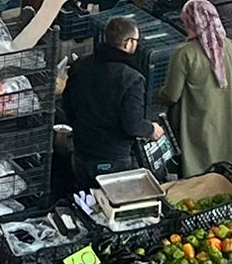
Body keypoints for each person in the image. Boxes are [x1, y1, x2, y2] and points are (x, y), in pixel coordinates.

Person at [158, 0, 232, 177]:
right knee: (231, 178)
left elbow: (172, 95)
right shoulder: (231, 47)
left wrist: (159, 95)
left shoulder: (184, 54)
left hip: (198, 126)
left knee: (201, 179)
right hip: (229, 122)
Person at [62, 14, 160, 187]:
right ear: (128, 42)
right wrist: (151, 129)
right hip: (113, 156)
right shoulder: (132, 79)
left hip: (82, 151)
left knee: (83, 200)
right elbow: (132, 124)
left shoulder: (81, 65)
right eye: (136, 40)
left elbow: (67, 105)